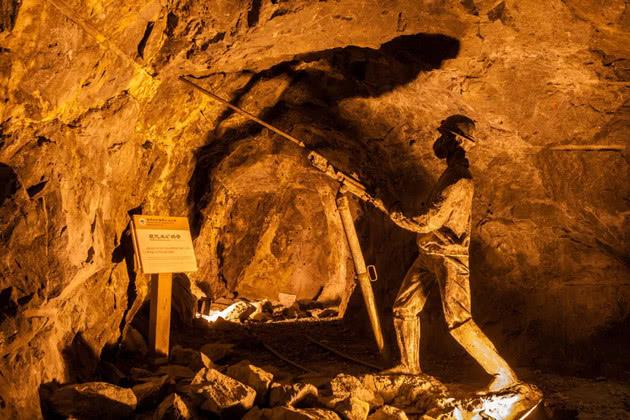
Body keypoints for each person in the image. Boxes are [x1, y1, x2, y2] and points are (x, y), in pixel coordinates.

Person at [384, 114, 518, 392]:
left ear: (456, 141)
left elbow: (427, 221)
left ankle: (503, 374)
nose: (439, 141)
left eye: (443, 136)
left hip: (449, 256)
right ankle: (409, 366)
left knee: (459, 321)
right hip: (430, 252)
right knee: (404, 307)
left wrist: (391, 209)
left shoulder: (459, 181)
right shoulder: (449, 174)